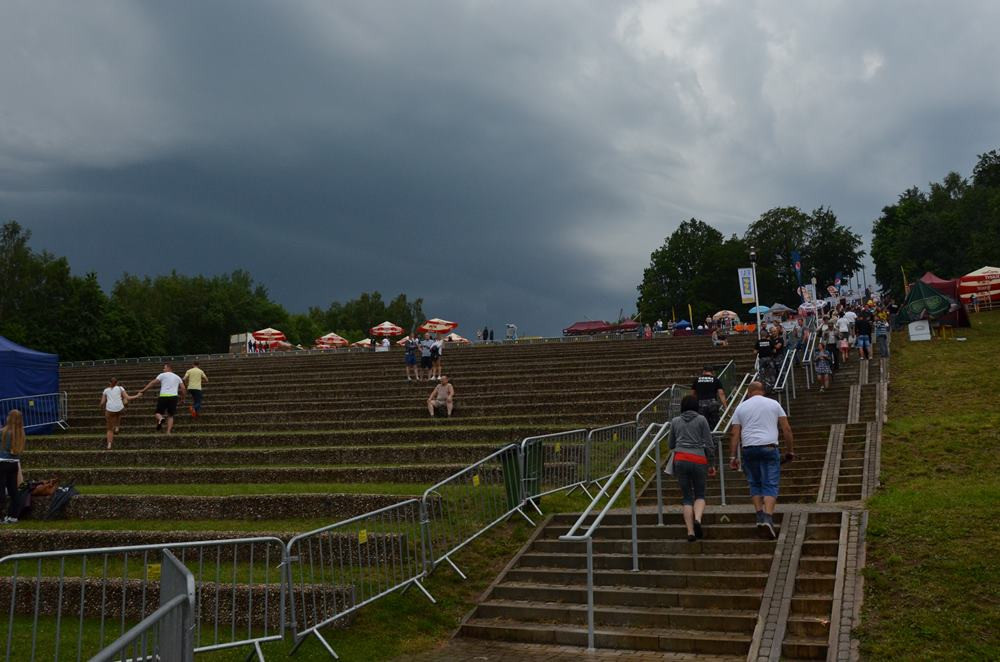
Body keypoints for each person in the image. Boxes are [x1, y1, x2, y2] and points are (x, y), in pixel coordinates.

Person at [728, 381, 795, 539]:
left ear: (749, 392)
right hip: (769, 448)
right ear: (763, 391)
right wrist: (790, 450)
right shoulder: (774, 404)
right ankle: (768, 517)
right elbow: (786, 428)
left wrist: (732, 456)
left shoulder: (741, 407)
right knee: (770, 483)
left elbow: (734, 434)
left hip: (749, 449)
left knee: (754, 482)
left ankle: (759, 516)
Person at [669, 395, 717, 541]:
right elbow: (709, 443)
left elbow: (671, 444)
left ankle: (690, 532)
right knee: (700, 494)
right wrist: (712, 463)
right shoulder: (702, 420)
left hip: (681, 459)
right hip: (698, 458)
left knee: (687, 497)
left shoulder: (675, 421)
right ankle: (698, 519)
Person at [138, 363, 187, 434]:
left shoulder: (162, 375)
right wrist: (183, 399)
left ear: (169, 368)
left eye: (164, 368)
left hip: (163, 396)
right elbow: (183, 388)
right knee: (170, 415)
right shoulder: (177, 377)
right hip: (173, 397)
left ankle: (161, 418)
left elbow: (152, 383)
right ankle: (168, 432)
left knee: (157, 413)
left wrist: (144, 390)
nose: (163, 369)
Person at [0, 410, 26, 524]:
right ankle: (13, 516)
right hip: (14, 464)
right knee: (13, 491)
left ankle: (1, 517)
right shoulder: (21, 434)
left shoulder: (3, 432)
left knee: (1, 491)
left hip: (2, 463)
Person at [100, 377, 140, 449]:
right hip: (120, 408)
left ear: (109, 383)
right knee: (118, 413)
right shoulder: (120, 388)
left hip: (110, 409)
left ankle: (109, 445)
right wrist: (137, 395)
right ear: (117, 383)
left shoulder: (105, 390)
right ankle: (117, 427)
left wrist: (101, 407)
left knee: (109, 429)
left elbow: (102, 402)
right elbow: (128, 397)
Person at [691, 366, 728, 430]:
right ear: (712, 372)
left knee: (701, 425)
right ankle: (715, 438)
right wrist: (725, 406)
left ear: (704, 371)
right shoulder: (716, 380)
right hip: (712, 404)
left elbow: (692, 394)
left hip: (700, 404)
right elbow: (721, 394)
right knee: (714, 424)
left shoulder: (697, 380)